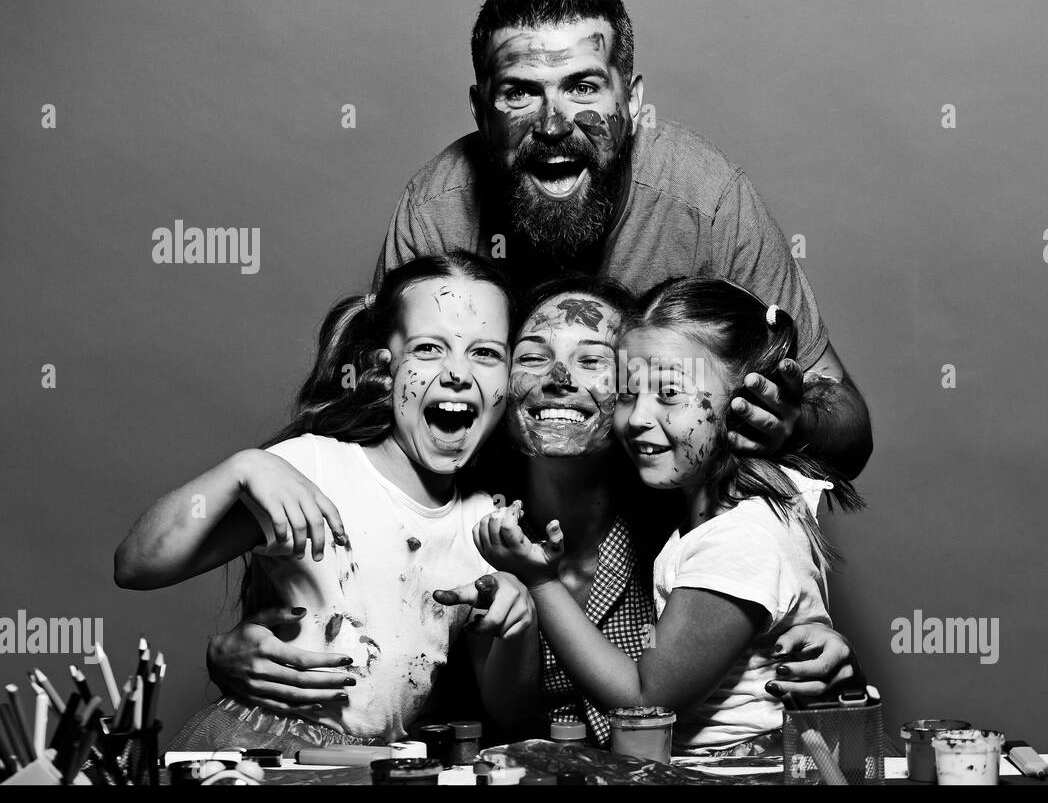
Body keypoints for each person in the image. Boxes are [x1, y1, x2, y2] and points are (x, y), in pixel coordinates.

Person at [204, 273, 861, 744]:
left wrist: (822, 645)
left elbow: (764, 568)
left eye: (593, 361)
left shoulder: (680, 511)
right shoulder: (458, 510)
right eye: (533, 355)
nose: (559, 378)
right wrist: (236, 653)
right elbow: (347, 605)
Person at [376, 0, 873, 480]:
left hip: (665, 532)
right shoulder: (435, 214)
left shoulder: (709, 205)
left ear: (632, 101)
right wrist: (279, 467)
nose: (552, 125)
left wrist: (794, 423)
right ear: (481, 111)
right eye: (520, 92)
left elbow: (851, 434)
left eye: (583, 87)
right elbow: (375, 408)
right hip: (491, 519)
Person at [114, 254, 539, 749]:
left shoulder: (487, 528)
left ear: (508, 378)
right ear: (385, 368)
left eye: (485, 353)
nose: (457, 373)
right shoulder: (313, 469)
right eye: (428, 349)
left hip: (367, 765)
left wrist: (520, 621)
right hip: (255, 745)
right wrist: (241, 469)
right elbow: (137, 565)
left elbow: (511, 711)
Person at [478, 276, 864, 755]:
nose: (638, 417)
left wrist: (540, 581)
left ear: (748, 405)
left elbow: (647, 697)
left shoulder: (738, 533)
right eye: (628, 394)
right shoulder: (697, 519)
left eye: (669, 393)